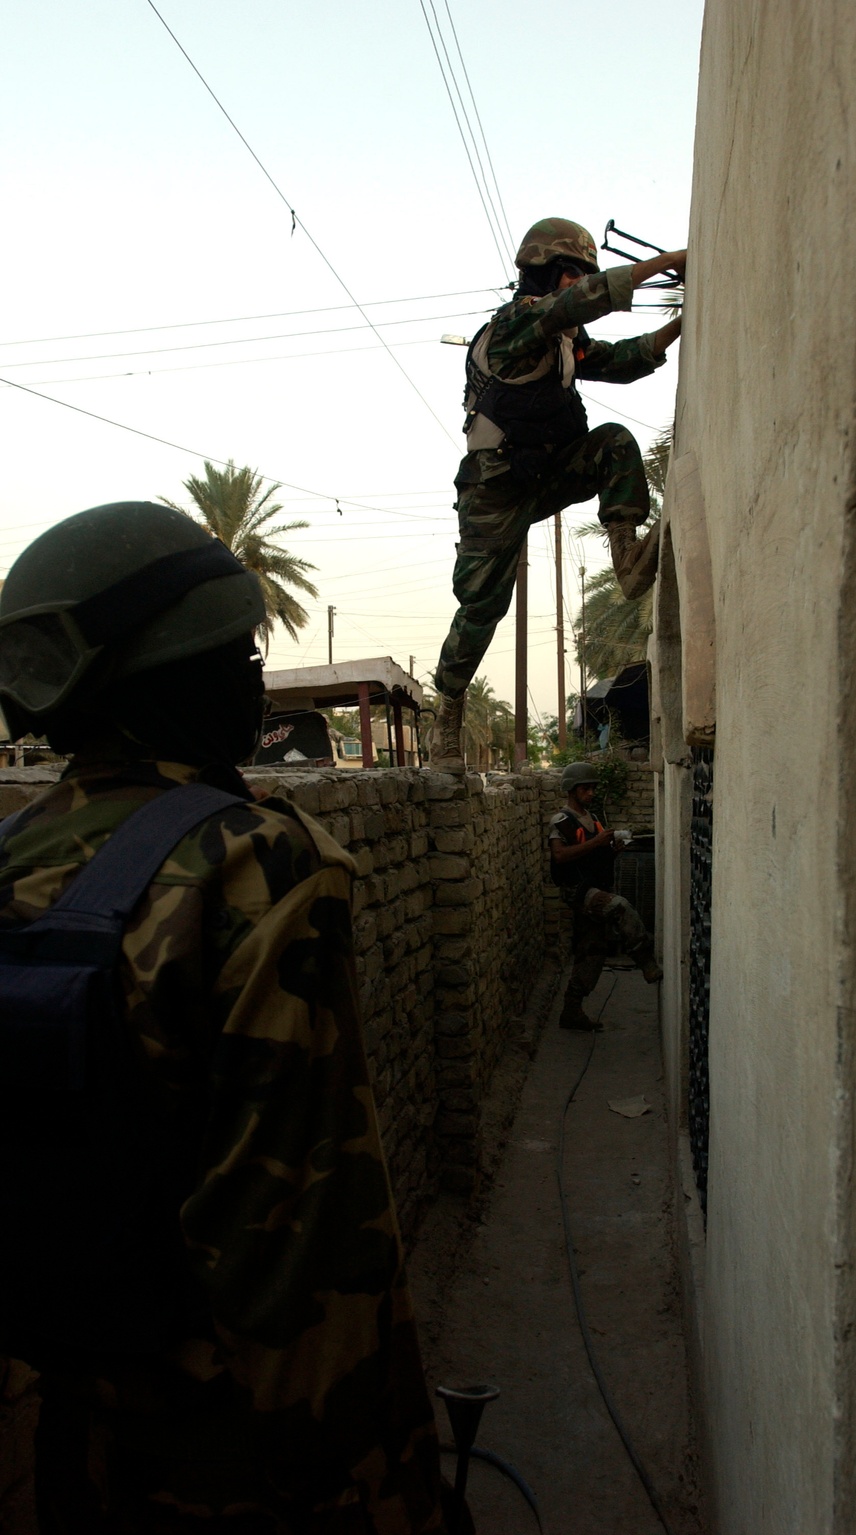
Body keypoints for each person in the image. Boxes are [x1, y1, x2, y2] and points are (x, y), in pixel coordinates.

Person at [0, 502, 447, 1533]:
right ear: (169, 676)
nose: (250, 676)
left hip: (81, 1424)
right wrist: (380, 1489)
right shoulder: (251, 863)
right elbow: (310, 1260)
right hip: (237, 1452)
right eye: (235, 651)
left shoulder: (14, 853)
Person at [429, 217, 686, 770]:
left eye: (583, 275)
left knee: (614, 443)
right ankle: (447, 707)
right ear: (544, 274)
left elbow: (617, 361)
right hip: (494, 488)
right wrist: (670, 262)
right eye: (572, 273)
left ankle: (626, 556)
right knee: (481, 605)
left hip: (547, 473)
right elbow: (580, 304)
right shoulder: (517, 326)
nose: (579, 284)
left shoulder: (568, 342)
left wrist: (679, 326)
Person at [548, 762, 661, 1030]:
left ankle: (571, 1012)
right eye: (585, 789)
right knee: (620, 907)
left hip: (595, 886)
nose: (590, 793)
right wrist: (596, 843)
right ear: (571, 790)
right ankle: (645, 959)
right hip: (579, 891)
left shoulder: (593, 819)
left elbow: (594, 855)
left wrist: (611, 850)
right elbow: (560, 855)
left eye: (592, 788)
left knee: (593, 953)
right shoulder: (561, 821)